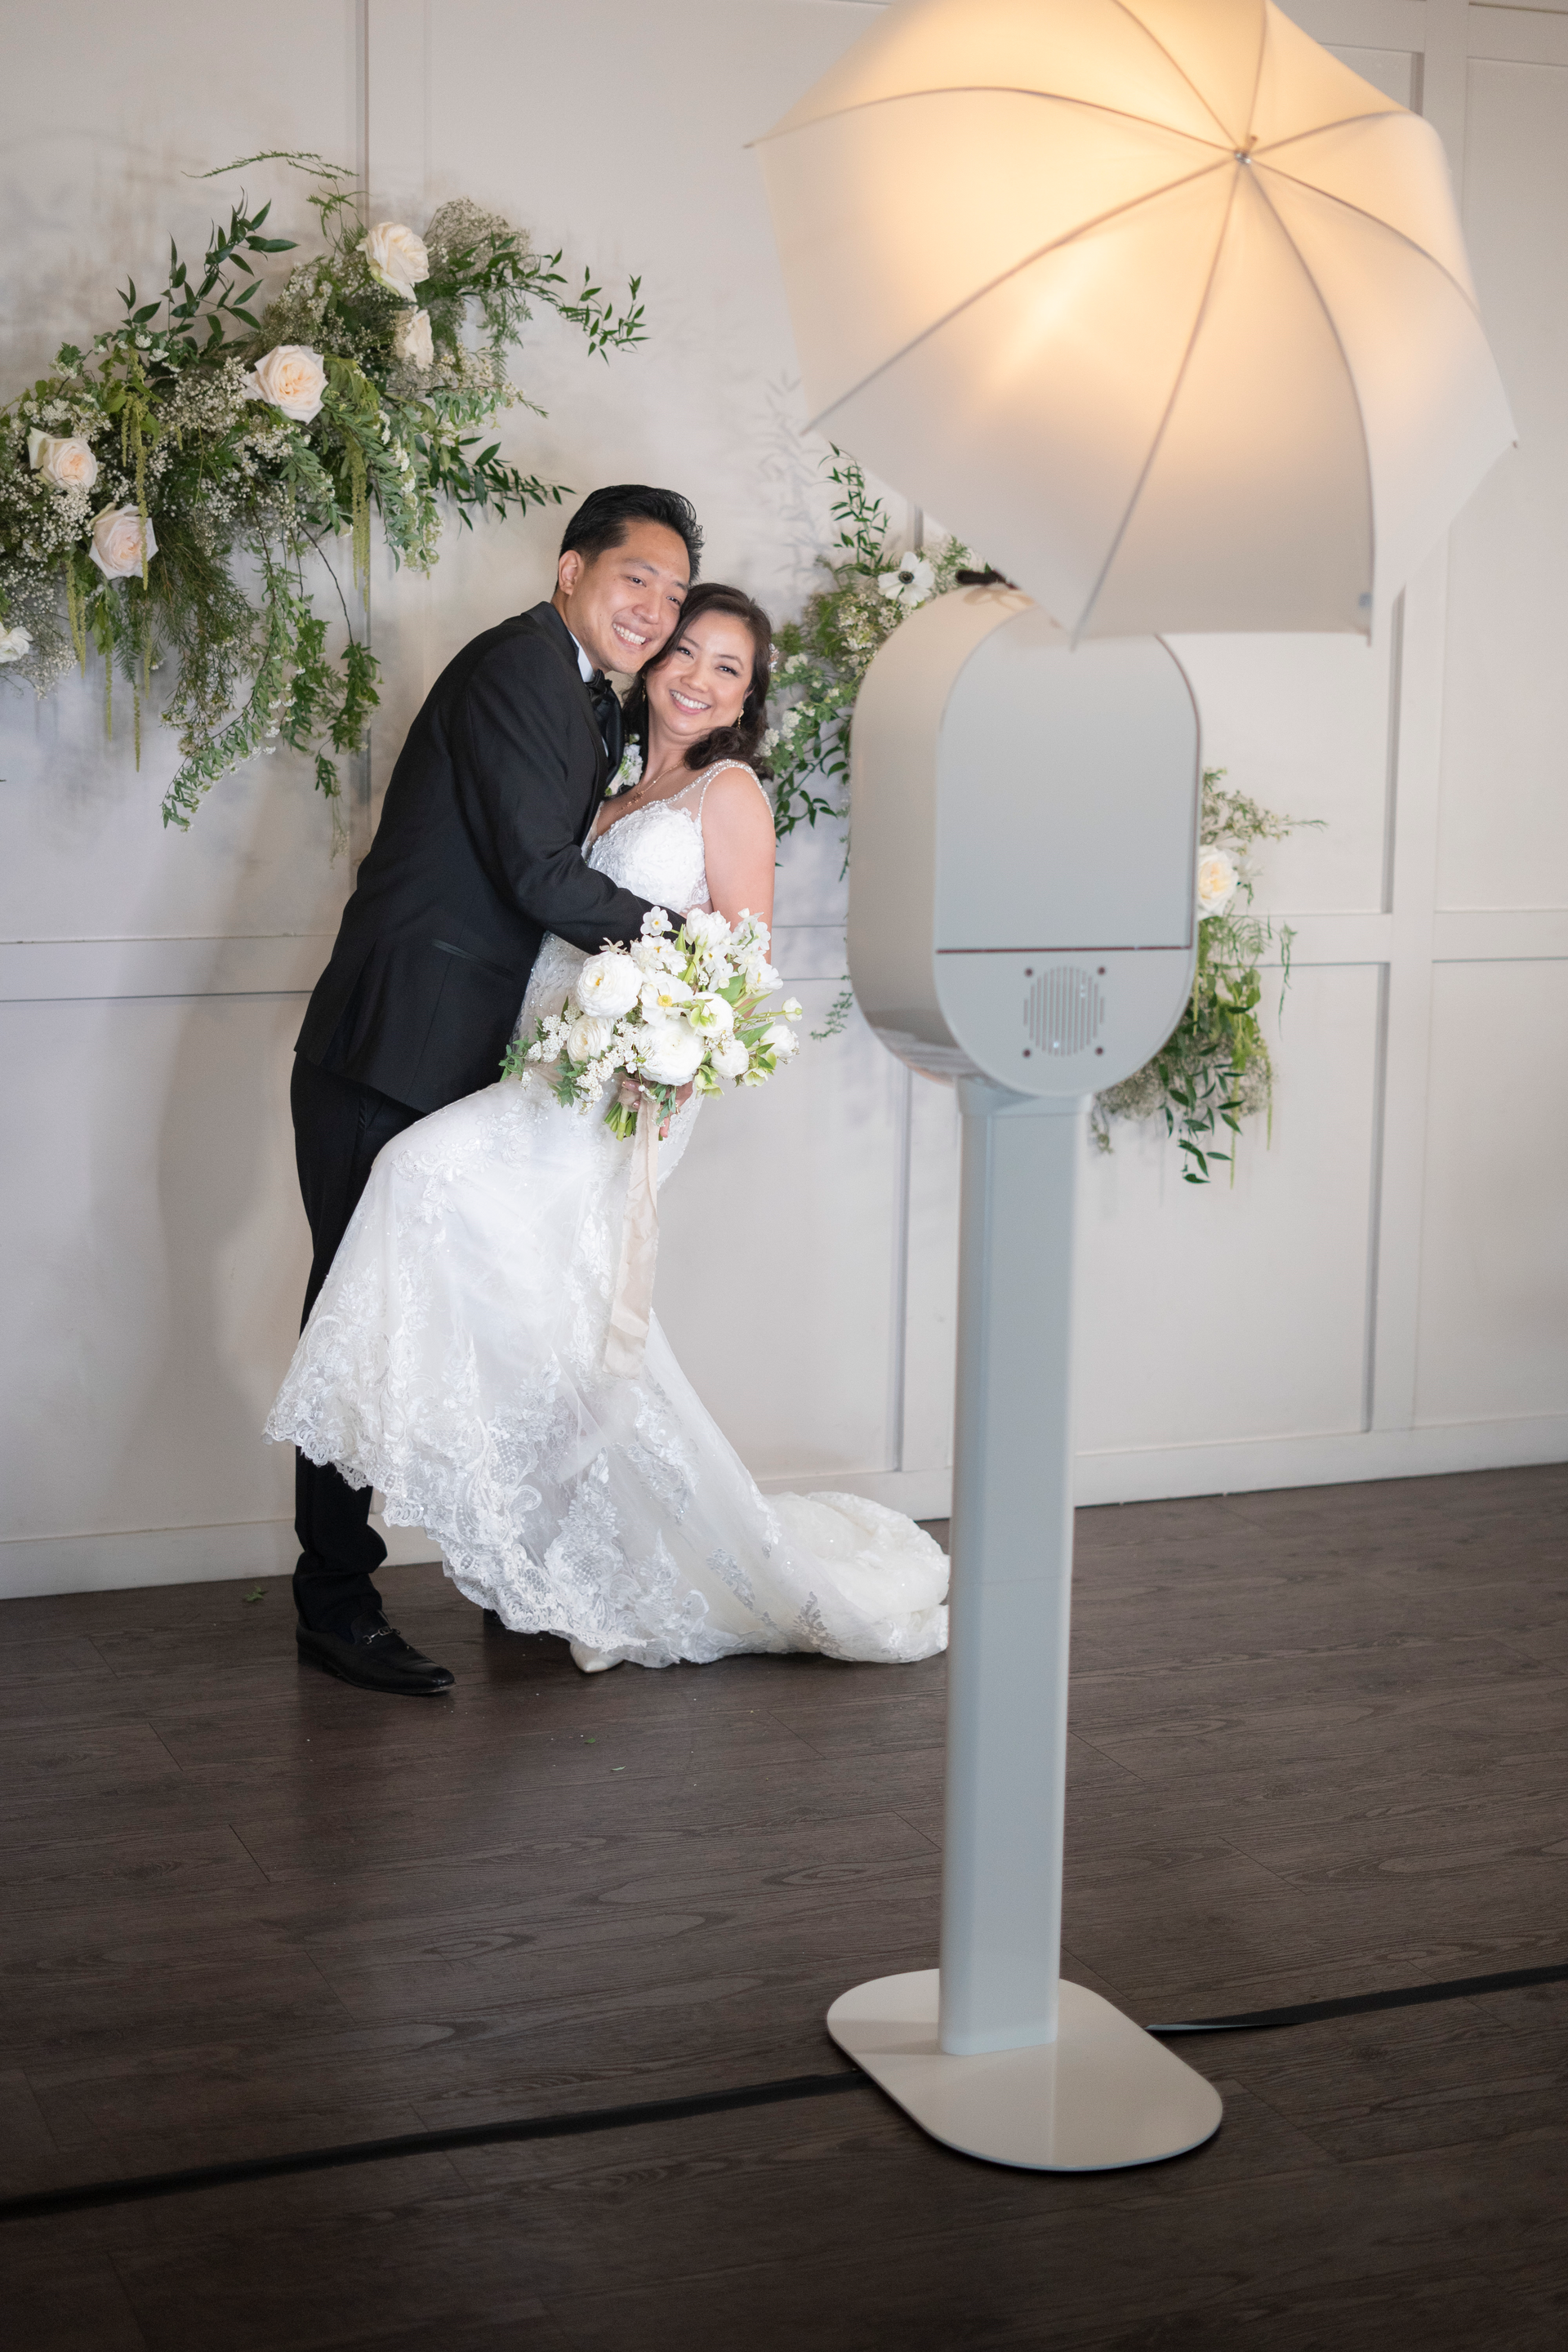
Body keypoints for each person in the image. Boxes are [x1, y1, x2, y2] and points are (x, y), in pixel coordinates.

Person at [267, 581, 948, 1682]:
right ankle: (523, 1563)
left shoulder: (728, 795)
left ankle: (389, 1553)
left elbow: (743, 969)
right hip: (532, 1062)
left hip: (612, 1088)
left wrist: (657, 1055)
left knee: (418, 1182)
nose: (698, 676)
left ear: (746, 699)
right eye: (687, 651)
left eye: (729, 667)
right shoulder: (612, 785)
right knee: (549, 1320)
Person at [286, 485, 701, 1695]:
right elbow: (533, 874)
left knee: (460, 1321)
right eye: (638, 580)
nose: (655, 609)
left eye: (674, 596)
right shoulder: (522, 667)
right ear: (572, 570)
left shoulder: (585, 698)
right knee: (349, 1329)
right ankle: (335, 1603)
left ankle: (505, 1571)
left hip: (458, 1058)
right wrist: (684, 944)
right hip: (387, 1048)